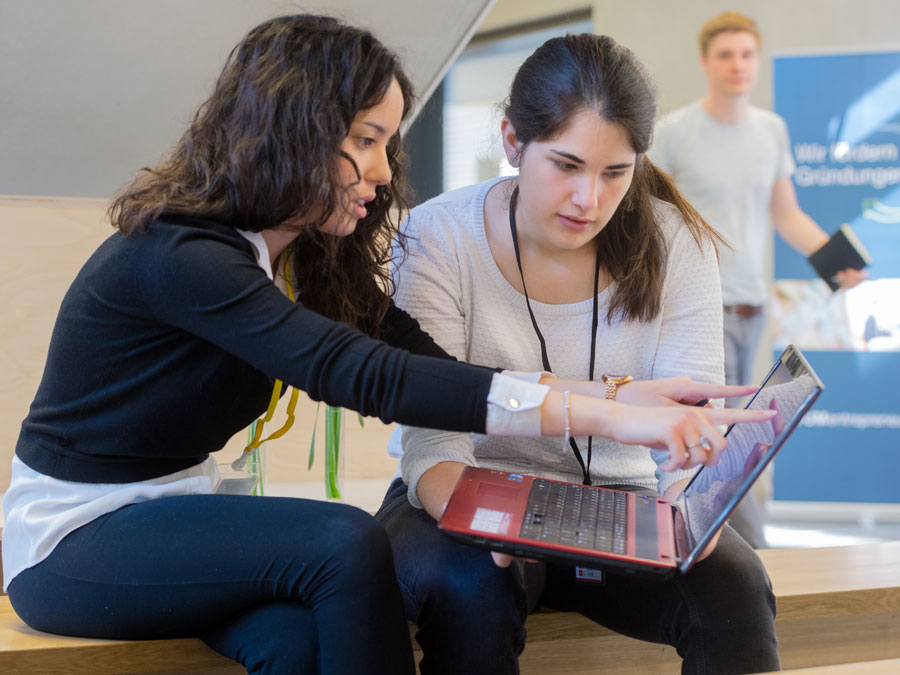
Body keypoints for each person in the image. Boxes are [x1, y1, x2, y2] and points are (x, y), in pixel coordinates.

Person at [2, 15, 775, 675]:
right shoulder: (185, 256)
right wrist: (605, 412)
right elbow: (363, 374)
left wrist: (610, 395)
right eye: (363, 140)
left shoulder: (296, 252)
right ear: (293, 132)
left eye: (386, 141)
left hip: (177, 509)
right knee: (343, 539)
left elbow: (426, 363)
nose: (381, 170)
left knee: (298, 641)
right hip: (73, 536)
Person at [376, 33, 781, 675]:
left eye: (615, 173)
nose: (589, 199)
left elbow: (685, 432)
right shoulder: (437, 235)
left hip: (622, 504)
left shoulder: (677, 243)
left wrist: (690, 504)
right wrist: (487, 521)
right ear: (513, 142)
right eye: (566, 165)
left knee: (734, 583)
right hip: (463, 489)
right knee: (471, 583)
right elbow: (435, 444)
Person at [649, 11, 865, 548]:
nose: (738, 65)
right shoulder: (674, 132)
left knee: (743, 434)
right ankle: (750, 548)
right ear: (706, 62)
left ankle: (728, 543)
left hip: (753, 305)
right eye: (726, 55)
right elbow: (649, 217)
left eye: (747, 54)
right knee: (721, 435)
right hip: (699, 305)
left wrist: (833, 261)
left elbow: (786, 214)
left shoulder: (771, 131)